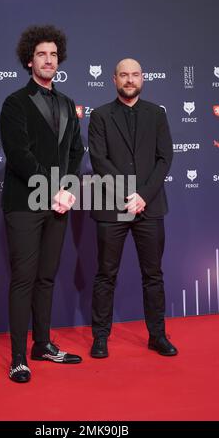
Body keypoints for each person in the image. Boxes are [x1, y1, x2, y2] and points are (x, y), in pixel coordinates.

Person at [0, 25, 84, 382]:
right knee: (24, 279)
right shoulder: (15, 103)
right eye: (41, 55)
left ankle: (43, 344)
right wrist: (54, 190)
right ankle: (19, 357)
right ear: (29, 60)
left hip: (58, 205)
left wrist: (68, 189)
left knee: (46, 278)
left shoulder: (66, 103)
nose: (48, 60)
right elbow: (19, 155)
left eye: (53, 54)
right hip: (24, 204)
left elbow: (75, 152)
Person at [88, 58, 178, 358]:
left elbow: (165, 158)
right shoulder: (100, 116)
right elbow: (99, 160)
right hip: (112, 206)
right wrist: (130, 194)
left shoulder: (156, 114)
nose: (130, 80)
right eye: (124, 75)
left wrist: (143, 196)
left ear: (143, 78)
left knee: (153, 275)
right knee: (105, 274)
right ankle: (100, 337)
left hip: (149, 207)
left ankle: (157, 336)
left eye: (135, 75)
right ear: (114, 79)